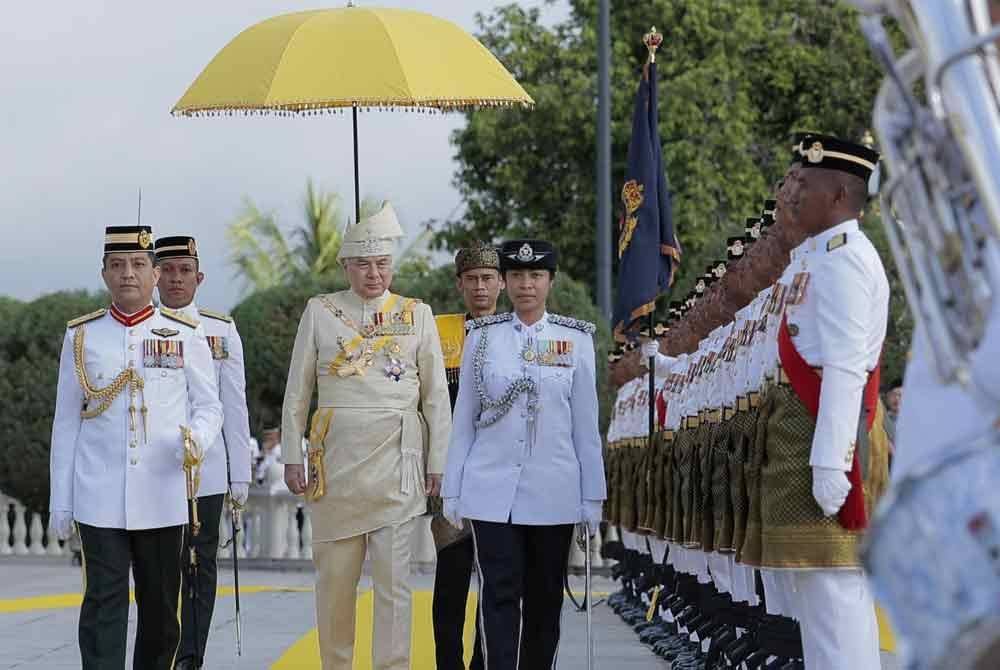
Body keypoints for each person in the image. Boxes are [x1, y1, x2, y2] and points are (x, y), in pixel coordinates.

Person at [280, 201, 452, 670]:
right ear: (345, 266)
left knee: (395, 585)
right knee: (335, 583)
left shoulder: (418, 314)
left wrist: (439, 463)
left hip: (398, 462)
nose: (373, 273)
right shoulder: (321, 311)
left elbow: (436, 396)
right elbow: (298, 391)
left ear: (392, 265)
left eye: (381, 263)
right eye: (363, 264)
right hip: (335, 465)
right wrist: (292, 454)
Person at [49, 225, 222, 670]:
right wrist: (61, 502)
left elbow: (209, 407)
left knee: (162, 609)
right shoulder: (81, 336)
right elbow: (66, 422)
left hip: (162, 493)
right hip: (99, 492)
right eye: (118, 265)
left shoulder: (183, 333)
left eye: (138, 265)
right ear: (105, 273)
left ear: (155, 274)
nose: (128, 273)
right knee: (103, 602)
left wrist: (196, 441)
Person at [442, 239, 606, 670]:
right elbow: (464, 421)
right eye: (516, 276)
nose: (525, 285)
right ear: (506, 281)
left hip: (554, 491)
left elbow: (586, 430)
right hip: (491, 489)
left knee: (544, 598)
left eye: (535, 276)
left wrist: (593, 498)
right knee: (497, 594)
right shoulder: (482, 338)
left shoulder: (575, 341)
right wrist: (453, 489)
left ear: (550, 281)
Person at [759, 134, 888, 669]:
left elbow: (843, 370)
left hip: (825, 446)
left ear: (838, 194)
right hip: (804, 439)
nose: (790, 194)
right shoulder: (818, 259)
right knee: (817, 605)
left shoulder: (845, 261)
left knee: (835, 604)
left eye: (803, 184)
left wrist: (830, 464)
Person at [154, 235, 253, 670]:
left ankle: (190, 657)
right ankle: (159, 650)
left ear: (199, 277)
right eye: (168, 271)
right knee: (159, 570)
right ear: (155, 275)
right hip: (154, 473)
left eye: (184, 271)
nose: (176, 280)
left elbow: (234, 406)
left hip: (206, 474)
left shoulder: (219, 329)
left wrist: (240, 476)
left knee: (200, 565)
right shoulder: (140, 328)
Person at [430, 242, 504, 670]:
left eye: (488, 279)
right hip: (452, 475)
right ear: (459, 284)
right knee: (451, 576)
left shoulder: (516, 332)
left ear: (501, 284)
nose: (480, 287)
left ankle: (484, 663)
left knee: (496, 579)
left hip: (499, 476)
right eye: (472, 279)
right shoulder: (439, 333)